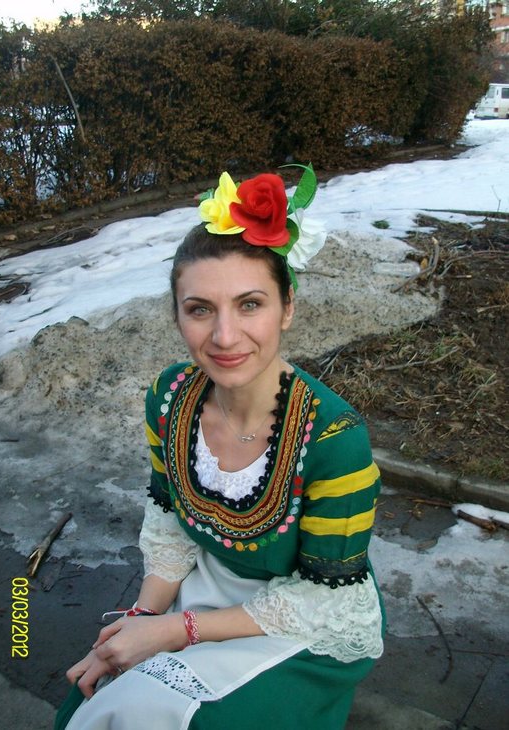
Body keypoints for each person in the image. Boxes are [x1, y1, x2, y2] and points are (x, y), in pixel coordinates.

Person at [58, 167, 384, 730]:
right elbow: (169, 520)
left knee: (164, 715)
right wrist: (142, 616)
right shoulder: (169, 398)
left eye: (250, 304)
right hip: (199, 591)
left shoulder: (335, 437)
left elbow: (326, 598)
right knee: (93, 702)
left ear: (288, 307)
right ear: (178, 316)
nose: (225, 337)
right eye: (200, 309)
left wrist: (173, 631)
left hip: (299, 623)